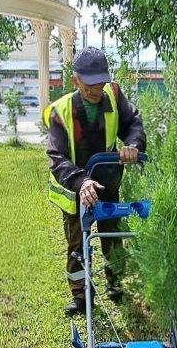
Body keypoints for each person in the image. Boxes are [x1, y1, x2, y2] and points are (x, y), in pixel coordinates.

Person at [45, 47, 146, 316]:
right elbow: (56, 157)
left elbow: (132, 122)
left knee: (111, 235)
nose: (96, 89)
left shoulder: (113, 96)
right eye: (90, 85)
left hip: (108, 181)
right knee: (78, 244)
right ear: (75, 80)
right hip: (74, 188)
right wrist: (81, 182)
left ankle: (115, 285)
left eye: (101, 82)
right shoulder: (60, 112)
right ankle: (80, 295)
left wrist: (133, 145)